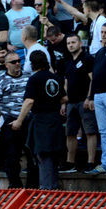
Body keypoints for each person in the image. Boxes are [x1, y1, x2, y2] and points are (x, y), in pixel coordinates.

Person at [12, 52, 67, 190]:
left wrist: (19, 120)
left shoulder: (34, 79)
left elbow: (29, 101)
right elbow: (64, 98)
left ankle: (46, 189)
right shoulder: (55, 78)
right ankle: (53, 187)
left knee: (43, 155)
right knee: (53, 155)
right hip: (55, 119)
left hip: (41, 120)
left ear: (32, 64)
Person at [0, 49, 32, 188]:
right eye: (13, 62)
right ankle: (15, 184)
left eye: (19, 61)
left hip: (27, 120)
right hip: (9, 120)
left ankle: (32, 185)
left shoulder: (28, 77)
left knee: (31, 154)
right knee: (10, 155)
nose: (17, 64)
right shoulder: (1, 80)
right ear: (6, 65)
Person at [62, 34, 97, 172]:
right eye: (68, 43)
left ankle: (91, 162)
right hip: (71, 102)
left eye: (73, 42)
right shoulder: (67, 62)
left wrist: (89, 97)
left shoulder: (88, 59)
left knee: (90, 131)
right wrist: (64, 102)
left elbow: (92, 79)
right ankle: (70, 162)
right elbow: (66, 83)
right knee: (70, 133)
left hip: (84, 101)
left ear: (80, 43)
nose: (71, 45)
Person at [85, 24, 106, 174]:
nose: (104, 35)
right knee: (104, 131)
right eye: (102, 32)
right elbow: (94, 77)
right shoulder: (100, 52)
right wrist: (91, 96)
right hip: (99, 95)